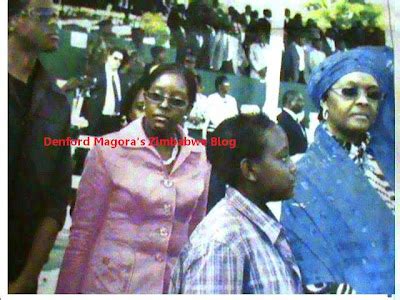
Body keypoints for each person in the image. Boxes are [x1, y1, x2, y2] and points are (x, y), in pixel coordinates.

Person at [56, 64, 211, 294]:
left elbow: (195, 234)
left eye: (177, 101)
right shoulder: (108, 150)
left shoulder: (199, 157)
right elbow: (82, 234)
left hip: (170, 287)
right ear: (145, 96)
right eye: (156, 96)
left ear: (189, 107)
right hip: (110, 286)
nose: (164, 106)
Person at [281, 48, 395, 294]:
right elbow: (311, 273)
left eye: (373, 94)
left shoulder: (387, 166)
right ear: (324, 100)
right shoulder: (302, 177)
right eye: (349, 91)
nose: (364, 101)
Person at [169, 114, 302, 294]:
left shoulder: (256, 228)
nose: (293, 167)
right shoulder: (223, 243)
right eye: (283, 158)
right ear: (249, 170)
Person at [8, 0, 71, 293]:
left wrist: (28, 277)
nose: (56, 22)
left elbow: (57, 199)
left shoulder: (56, 102)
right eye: (47, 15)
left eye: (59, 15)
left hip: (20, 268)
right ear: (13, 20)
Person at [82, 47, 129, 136]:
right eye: (115, 58)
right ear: (108, 57)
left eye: (120, 60)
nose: (117, 62)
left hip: (115, 120)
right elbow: (86, 94)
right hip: (99, 118)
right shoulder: (97, 72)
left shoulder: (122, 78)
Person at [277, 90, 308, 156]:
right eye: (299, 100)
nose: (303, 104)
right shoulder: (282, 120)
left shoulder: (298, 121)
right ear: (289, 102)